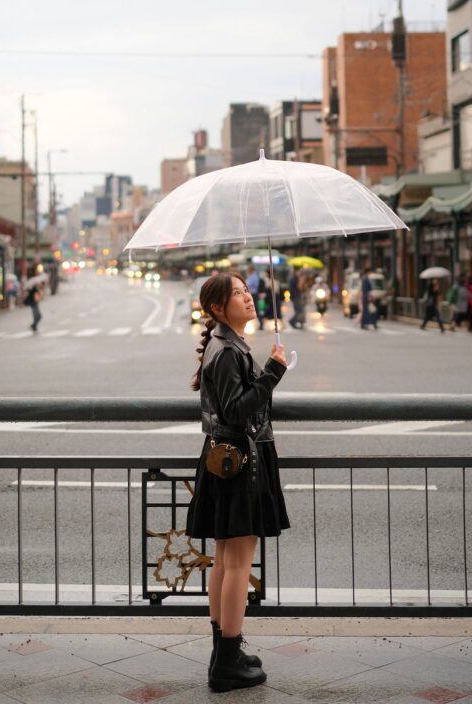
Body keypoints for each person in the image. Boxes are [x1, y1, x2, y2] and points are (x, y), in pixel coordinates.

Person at [186, 272, 289, 692]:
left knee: (226, 560)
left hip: (225, 460)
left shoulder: (225, 344)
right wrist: (274, 372)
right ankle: (227, 662)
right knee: (237, 564)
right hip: (239, 462)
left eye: (247, 290)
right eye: (237, 293)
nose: (248, 297)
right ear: (217, 308)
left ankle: (223, 652)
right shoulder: (228, 350)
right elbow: (236, 411)